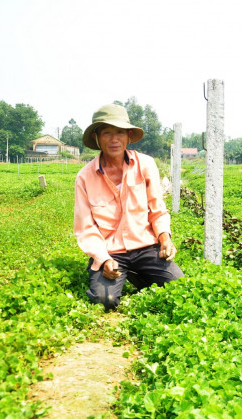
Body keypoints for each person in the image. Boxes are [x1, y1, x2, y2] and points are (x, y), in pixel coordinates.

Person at [74, 104, 183, 310]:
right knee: (104, 300)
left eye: (119, 133)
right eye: (107, 133)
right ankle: (119, 273)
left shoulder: (146, 164)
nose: (114, 139)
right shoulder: (84, 177)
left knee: (179, 287)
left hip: (146, 247)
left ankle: (138, 273)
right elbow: (85, 228)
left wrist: (165, 238)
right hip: (111, 252)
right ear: (97, 137)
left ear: (128, 135)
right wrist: (103, 259)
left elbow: (157, 209)